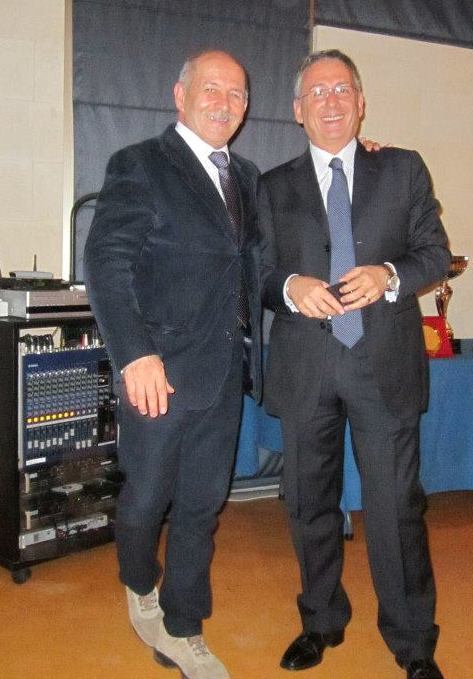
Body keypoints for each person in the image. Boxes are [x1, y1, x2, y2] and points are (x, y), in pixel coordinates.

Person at [259, 49, 450, 679]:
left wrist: (389, 274)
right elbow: (255, 274)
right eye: (317, 93)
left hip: (383, 365)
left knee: (396, 508)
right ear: (298, 110)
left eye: (342, 89)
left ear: (361, 102)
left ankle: (413, 642)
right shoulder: (271, 186)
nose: (331, 102)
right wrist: (289, 287)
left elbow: (434, 253)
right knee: (308, 503)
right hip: (306, 365)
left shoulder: (402, 168)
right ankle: (321, 621)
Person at [83, 50, 262, 679]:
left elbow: (256, 262)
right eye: (211, 88)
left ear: (246, 107)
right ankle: (139, 581)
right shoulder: (139, 164)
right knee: (146, 499)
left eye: (237, 93)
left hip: (225, 370)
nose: (224, 102)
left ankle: (184, 626)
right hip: (157, 371)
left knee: (202, 505)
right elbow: (106, 262)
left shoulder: (248, 177)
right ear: (179, 95)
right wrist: (134, 353)